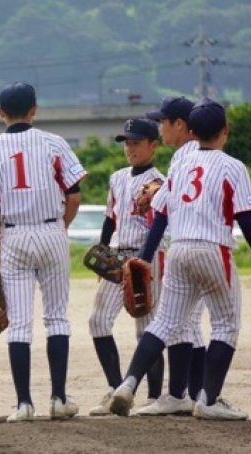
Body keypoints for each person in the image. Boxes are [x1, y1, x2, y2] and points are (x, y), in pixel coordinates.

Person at [110, 98, 251, 420]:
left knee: (165, 322)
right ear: (225, 129)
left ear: (191, 131)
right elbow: (246, 218)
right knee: (226, 325)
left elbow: (161, 211)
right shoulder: (232, 166)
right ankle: (209, 400)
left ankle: (128, 383)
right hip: (213, 250)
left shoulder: (180, 165)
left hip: (179, 250)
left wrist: (145, 257)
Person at [0, 82, 88, 422]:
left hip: (13, 236)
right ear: (34, 110)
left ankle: (23, 404)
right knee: (57, 318)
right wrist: (60, 227)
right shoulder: (54, 143)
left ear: (0, 112)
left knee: (20, 325)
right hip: (51, 230)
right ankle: (59, 399)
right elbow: (75, 196)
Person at [87, 119, 166, 416]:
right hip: (118, 258)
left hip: (146, 258)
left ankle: (154, 397)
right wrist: (103, 256)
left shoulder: (160, 182)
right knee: (98, 321)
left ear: (153, 145)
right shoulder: (117, 177)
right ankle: (116, 389)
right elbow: (110, 219)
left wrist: (144, 262)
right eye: (127, 143)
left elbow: (160, 224)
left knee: (146, 329)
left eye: (136, 143)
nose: (130, 148)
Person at [136, 96, 208, 416]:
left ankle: (184, 394)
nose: (159, 127)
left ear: (180, 124)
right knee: (191, 325)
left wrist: (144, 255)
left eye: (162, 122)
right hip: (202, 247)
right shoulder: (190, 153)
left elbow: (166, 208)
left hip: (193, 247)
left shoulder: (188, 154)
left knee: (181, 324)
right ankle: (197, 394)